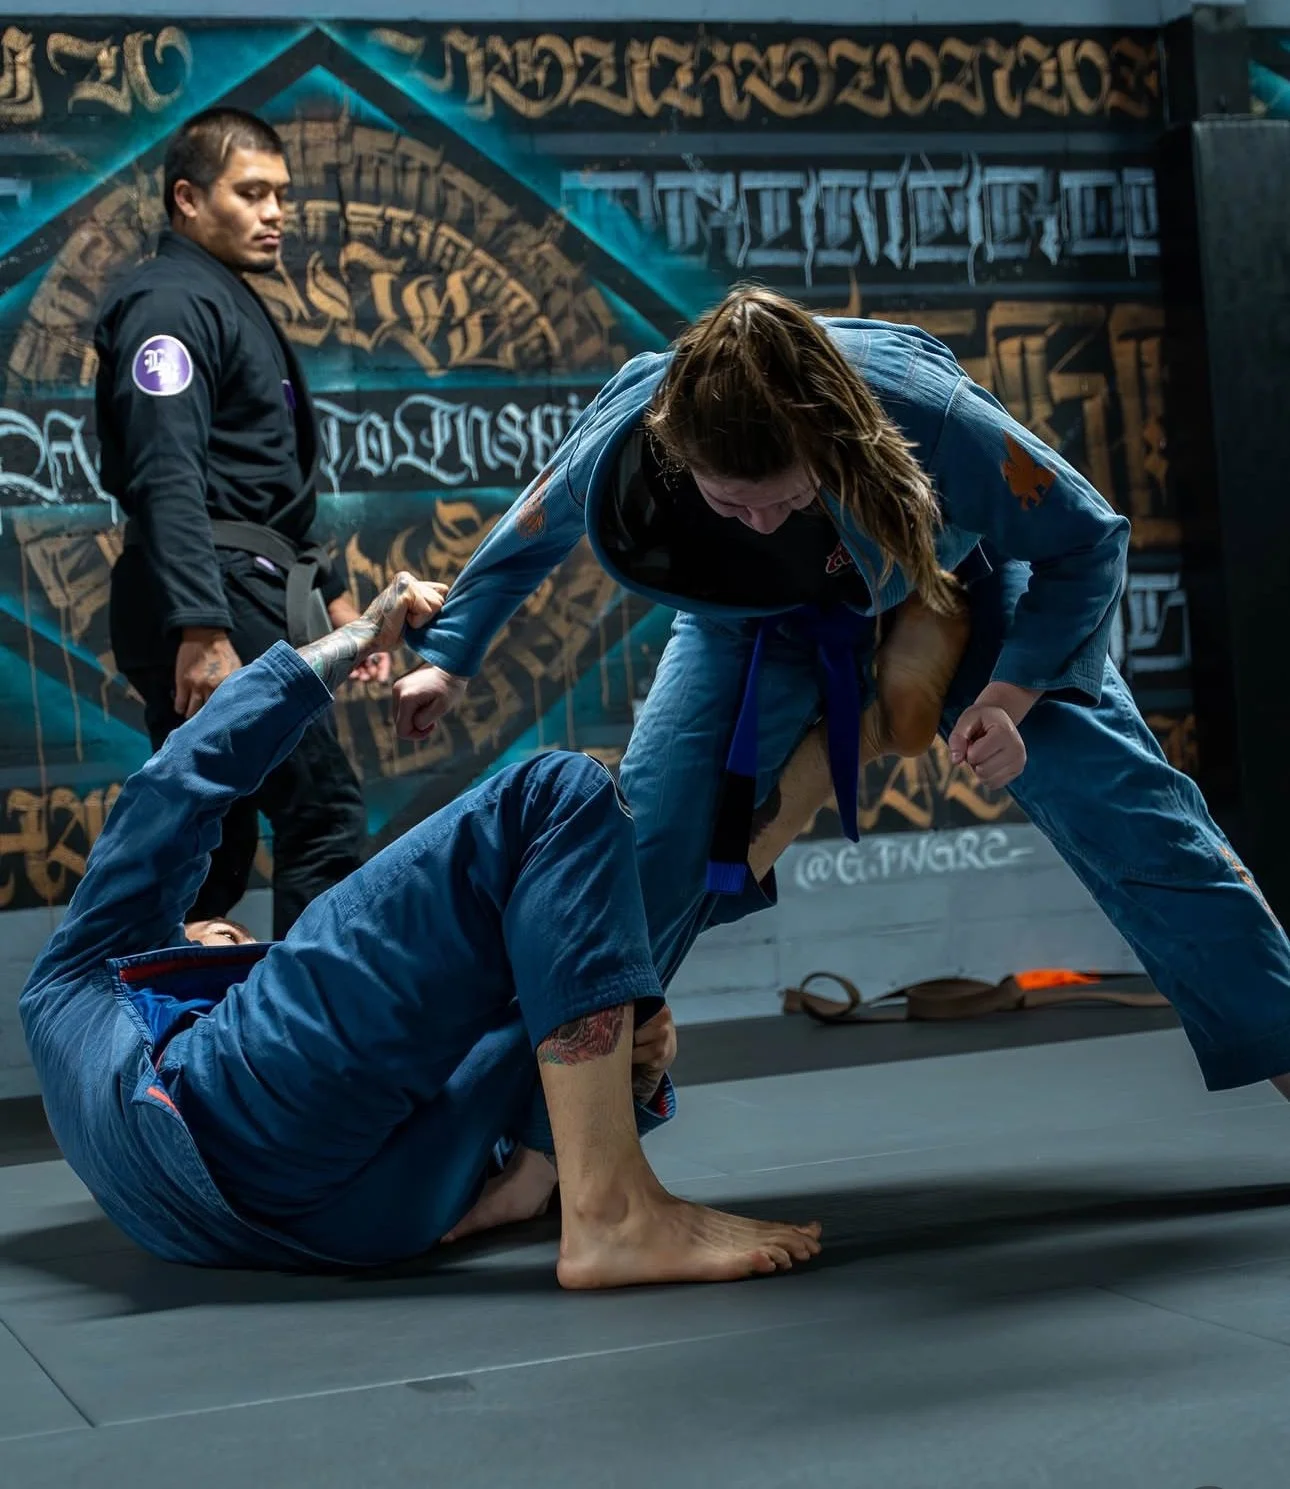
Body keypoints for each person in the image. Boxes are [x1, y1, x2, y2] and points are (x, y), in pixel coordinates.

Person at [393, 284, 1290, 1100]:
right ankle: (549, 1139)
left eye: (785, 497)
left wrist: (1009, 700)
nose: (762, 519)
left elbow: (1088, 540)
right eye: (732, 503)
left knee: (1124, 800)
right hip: (758, 621)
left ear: (832, 440)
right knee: (660, 837)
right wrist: (453, 653)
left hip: (949, 583)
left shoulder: (929, 416)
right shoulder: (641, 419)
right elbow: (540, 516)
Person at [19, 572, 822, 1285]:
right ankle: (609, 1212)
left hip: (358, 1224)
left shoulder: (127, 1061)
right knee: (553, 795)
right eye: (224, 937)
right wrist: (359, 635)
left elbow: (579, 969)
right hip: (251, 1138)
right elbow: (182, 781)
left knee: (584, 929)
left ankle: (566, 1185)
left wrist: (628, 1073)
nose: (227, 934)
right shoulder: (75, 983)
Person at [96, 106, 374, 939]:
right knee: (321, 811)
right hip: (211, 591)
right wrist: (202, 625)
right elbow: (167, 472)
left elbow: (264, 479)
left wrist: (330, 595)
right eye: (250, 193)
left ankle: (189, 1033)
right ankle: (318, 1050)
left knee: (212, 832)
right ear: (187, 199)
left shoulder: (222, 298)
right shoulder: (167, 307)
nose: (275, 212)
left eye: (281, 194)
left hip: (246, 585)